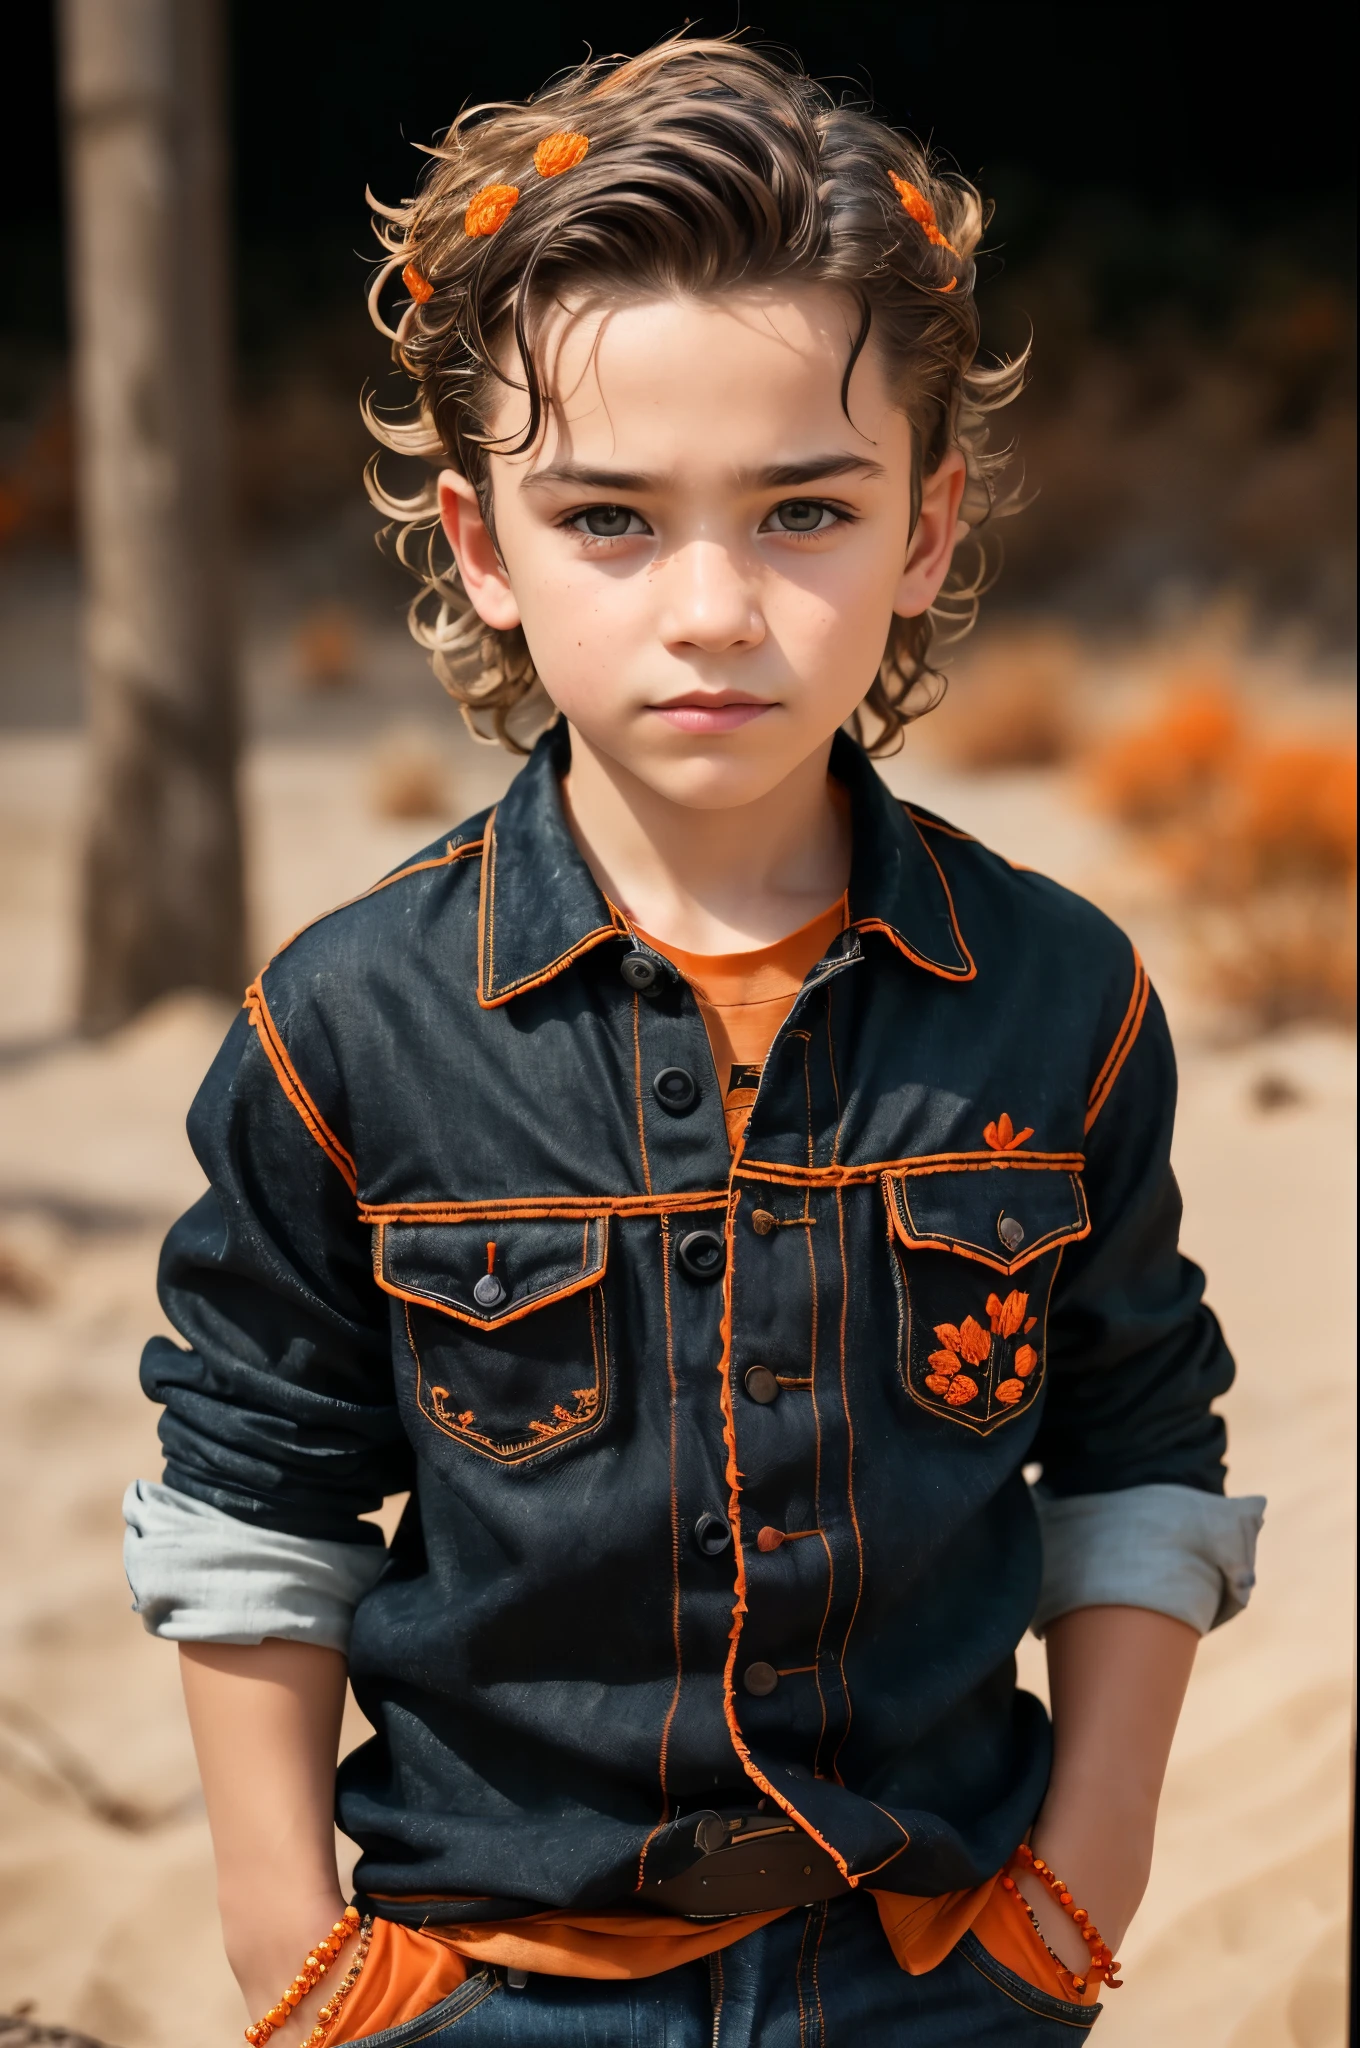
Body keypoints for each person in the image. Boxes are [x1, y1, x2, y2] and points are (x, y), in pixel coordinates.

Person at [124, 37, 1264, 2046]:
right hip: (480, 1985)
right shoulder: (342, 1024)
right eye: (610, 520)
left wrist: (1076, 1900)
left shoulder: (1062, 999)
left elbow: (1133, 1444)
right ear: (481, 545)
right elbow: (254, 1490)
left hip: (938, 1974)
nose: (715, 607)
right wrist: (286, 1948)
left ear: (923, 530)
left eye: (804, 511)